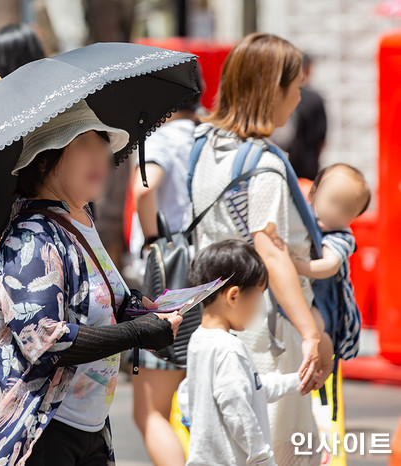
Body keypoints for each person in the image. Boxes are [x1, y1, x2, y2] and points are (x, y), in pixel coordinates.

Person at [0, 99, 184, 465]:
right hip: (41, 433)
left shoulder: (81, 218)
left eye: (102, 146)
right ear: (45, 159)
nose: (100, 158)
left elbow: (98, 300)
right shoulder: (31, 236)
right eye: (83, 145)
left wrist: (135, 310)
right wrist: (138, 333)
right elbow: (44, 339)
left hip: (89, 427)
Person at [189, 33, 326, 464]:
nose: (300, 94)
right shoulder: (263, 164)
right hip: (265, 332)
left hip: (215, 322)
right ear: (273, 90)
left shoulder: (203, 146)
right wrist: (310, 332)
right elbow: (271, 252)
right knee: (273, 449)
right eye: (295, 85)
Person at [177, 240, 304, 466]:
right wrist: (261, 457)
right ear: (234, 296)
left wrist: (298, 381)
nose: (259, 305)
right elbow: (236, 406)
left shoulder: (199, 340)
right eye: (259, 295)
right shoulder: (229, 349)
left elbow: (249, 389)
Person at [128, 77, 201, 466]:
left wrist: (153, 239)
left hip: (171, 285)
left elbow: (145, 189)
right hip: (214, 278)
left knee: (151, 411)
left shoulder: (164, 138)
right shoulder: (209, 136)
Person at [293, 164, 370, 359]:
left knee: (316, 325)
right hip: (306, 294)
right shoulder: (301, 221)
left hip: (326, 301)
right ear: (313, 194)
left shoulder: (341, 236)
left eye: (346, 210)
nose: (335, 212)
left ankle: (324, 348)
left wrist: (295, 266)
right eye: (332, 201)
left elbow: (329, 265)